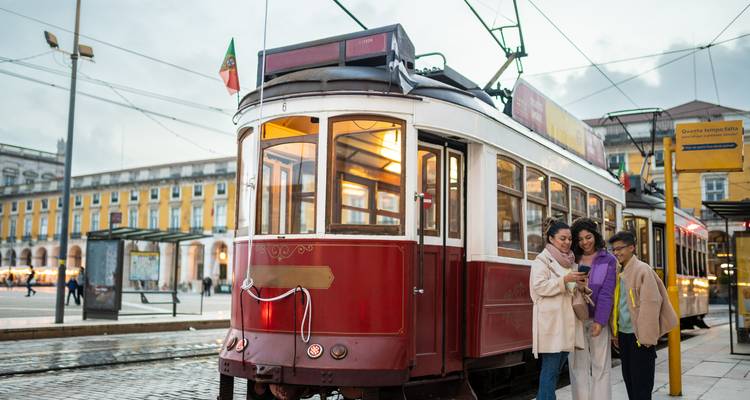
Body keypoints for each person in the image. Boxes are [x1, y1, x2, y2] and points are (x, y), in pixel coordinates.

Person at [609, 231, 678, 400]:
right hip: (625, 335)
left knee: (642, 385)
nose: (617, 253)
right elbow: (618, 303)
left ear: (632, 247)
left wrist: (647, 337)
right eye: (614, 250)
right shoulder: (620, 270)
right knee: (630, 381)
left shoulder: (642, 269)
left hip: (640, 337)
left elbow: (651, 303)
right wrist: (615, 332)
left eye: (620, 248)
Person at [530, 218, 586, 400]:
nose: (567, 242)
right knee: (550, 372)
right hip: (553, 324)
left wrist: (581, 285)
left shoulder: (570, 261)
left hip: (567, 324)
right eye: (562, 238)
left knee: (554, 372)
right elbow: (539, 287)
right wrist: (565, 281)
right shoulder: (542, 260)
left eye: (569, 239)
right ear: (551, 239)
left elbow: (569, 290)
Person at [569, 218, 617, 400]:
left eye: (588, 237)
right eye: (580, 239)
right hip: (575, 318)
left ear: (595, 236)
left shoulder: (609, 260)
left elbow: (607, 292)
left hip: (598, 319)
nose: (585, 242)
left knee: (600, 366)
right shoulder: (572, 259)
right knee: (577, 367)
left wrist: (600, 320)